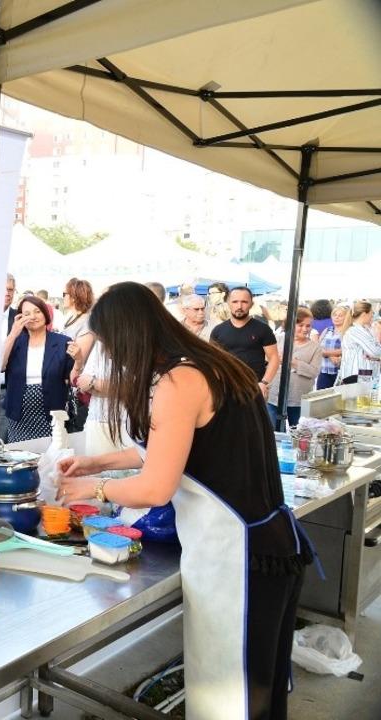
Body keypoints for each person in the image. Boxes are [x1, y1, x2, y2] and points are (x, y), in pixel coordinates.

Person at [57, 281, 313, 720]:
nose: (115, 357)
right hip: (271, 547)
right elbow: (176, 448)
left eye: (112, 345)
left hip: (236, 560)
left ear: (130, 336)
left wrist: (93, 489)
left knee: (229, 701)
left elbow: (155, 487)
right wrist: (96, 463)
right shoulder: (212, 365)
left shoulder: (180, 381)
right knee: (260, 693)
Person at [1, 295, 73, 442]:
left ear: (45, 314)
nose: (33, 317)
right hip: (18, 411)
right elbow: (0, 365)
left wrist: (78, 360)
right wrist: (13, 333)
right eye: (27, 314)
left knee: (50, 450)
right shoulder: (15, 341)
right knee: (20, 451)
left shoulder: (62, 342)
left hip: (52, 412)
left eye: (37, 311)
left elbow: (72, 378)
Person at [210, 287, 279, 393]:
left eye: (244, 302)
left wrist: (264, 383)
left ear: (251, 304)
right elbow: (212, 360)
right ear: (228, 303)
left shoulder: (263, 329)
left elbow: (274, 358)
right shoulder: (218, 330)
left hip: (254, 388)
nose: (239, 306)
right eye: (235, 302)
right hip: (225, 388)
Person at [267, 307, 321, 428]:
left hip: (299, 398)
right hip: (275, 395)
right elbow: (267, 360)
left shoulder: (315, 348)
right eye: (300, 325)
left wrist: (294, 362)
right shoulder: (277, 340)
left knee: (298, 431)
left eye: (308, 326)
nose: (305, 329)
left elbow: (314, 372)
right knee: (273, 432)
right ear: (291, 324)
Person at [338, 300, 381, 384]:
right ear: (364, 314)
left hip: (362, 374)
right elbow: (375, 351)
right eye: (371, 313)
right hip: (356, 374)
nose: (372, 316)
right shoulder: (355, 331)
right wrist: (376, 355)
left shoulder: (364, 329)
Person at [60, 277, 96, 372]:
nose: (63, 297)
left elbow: (80, 360)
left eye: (64, 294)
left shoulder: (87, 323)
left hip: (74, 375)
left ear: (73, 297)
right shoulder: (71, 316)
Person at [0, 274, 18, 441]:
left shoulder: (18, 318)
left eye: (10, 290)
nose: (7, 293)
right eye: (4, 289)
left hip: (8, 390)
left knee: (2, 440)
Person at [316, 303, 348, 390]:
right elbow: (318, 346)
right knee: (321, 396)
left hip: (340, 372)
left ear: (346, 318)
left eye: (340, 316)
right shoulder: (327, 330)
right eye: (335, 315)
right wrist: (330, 356)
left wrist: (327, 353)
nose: (336, 317)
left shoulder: (347, 332)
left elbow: (347, 349)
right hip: (324, 370)